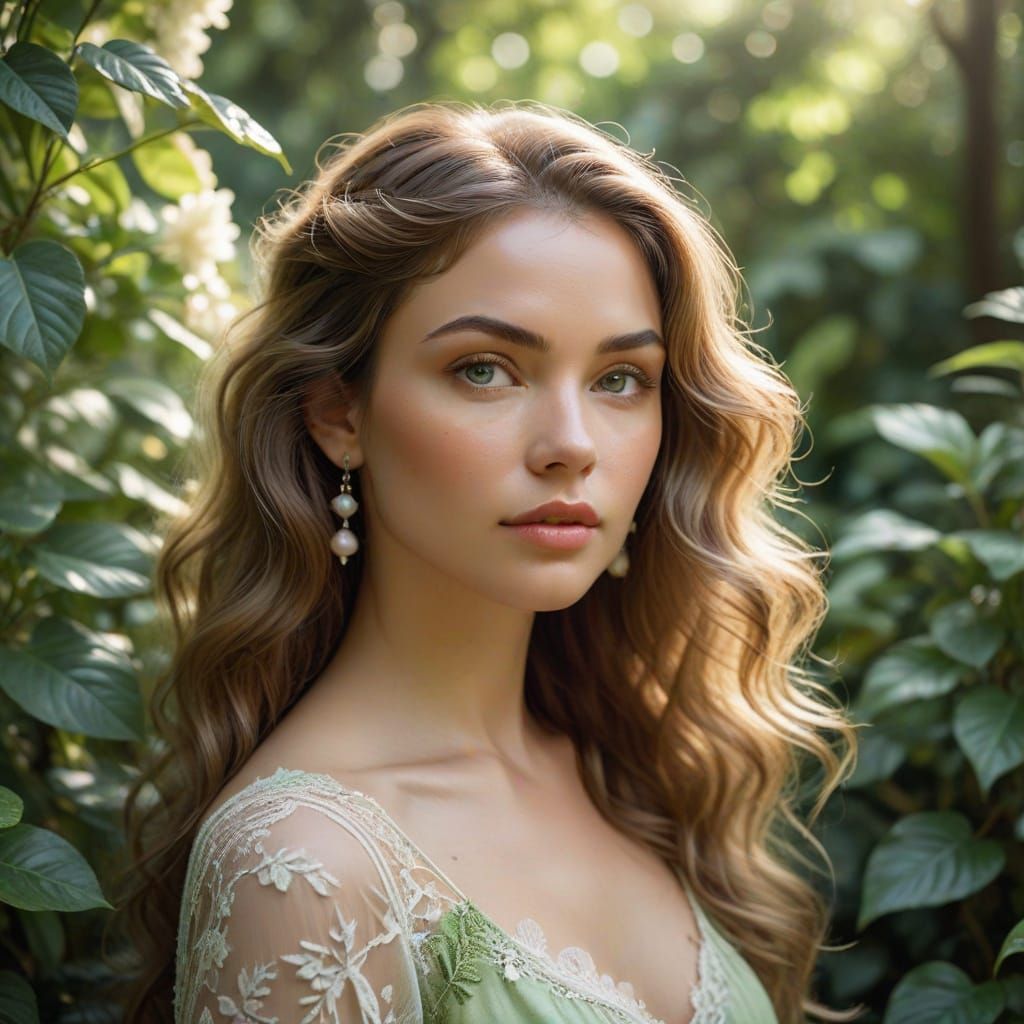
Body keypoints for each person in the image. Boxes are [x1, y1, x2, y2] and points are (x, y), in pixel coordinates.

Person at [110, 99, 861, 1024]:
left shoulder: (633, 773)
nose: (571, 444)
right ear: (338, 413)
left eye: (620, 379)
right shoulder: (304, 865)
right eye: (484, 369)